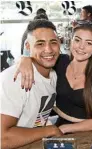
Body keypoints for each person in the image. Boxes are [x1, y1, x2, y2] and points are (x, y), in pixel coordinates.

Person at [14, 21, 92, 134]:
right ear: (70, 41)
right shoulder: (60, 61)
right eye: (77, 40)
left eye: (89, 43)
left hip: (90, 131)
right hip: (59, 124)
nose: (81, 47)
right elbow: (39, 56)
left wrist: (63, 129)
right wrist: (25, 58)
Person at [0, 19, 62, 149]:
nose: (48, 49)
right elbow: (2, 139)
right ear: (28, 47)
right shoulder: (15, 79)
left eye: (53, 42)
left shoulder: (53, 75)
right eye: (40, 44)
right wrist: (50, 130)